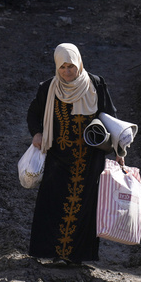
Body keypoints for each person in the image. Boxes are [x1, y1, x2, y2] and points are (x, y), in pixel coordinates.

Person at [26, 43, 122, 264]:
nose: (67, 72)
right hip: (57, 159)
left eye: (71, 67)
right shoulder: (48, 88)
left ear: (79, 64)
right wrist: (37, 133)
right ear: (57, 67)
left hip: (89, 160)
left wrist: (119, 149)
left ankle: (75, 256)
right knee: (53, 205)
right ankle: (52, 253)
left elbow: (111, 116)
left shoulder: (95, 85)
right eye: (62, 67)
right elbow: (33, 113)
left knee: (84, 207)